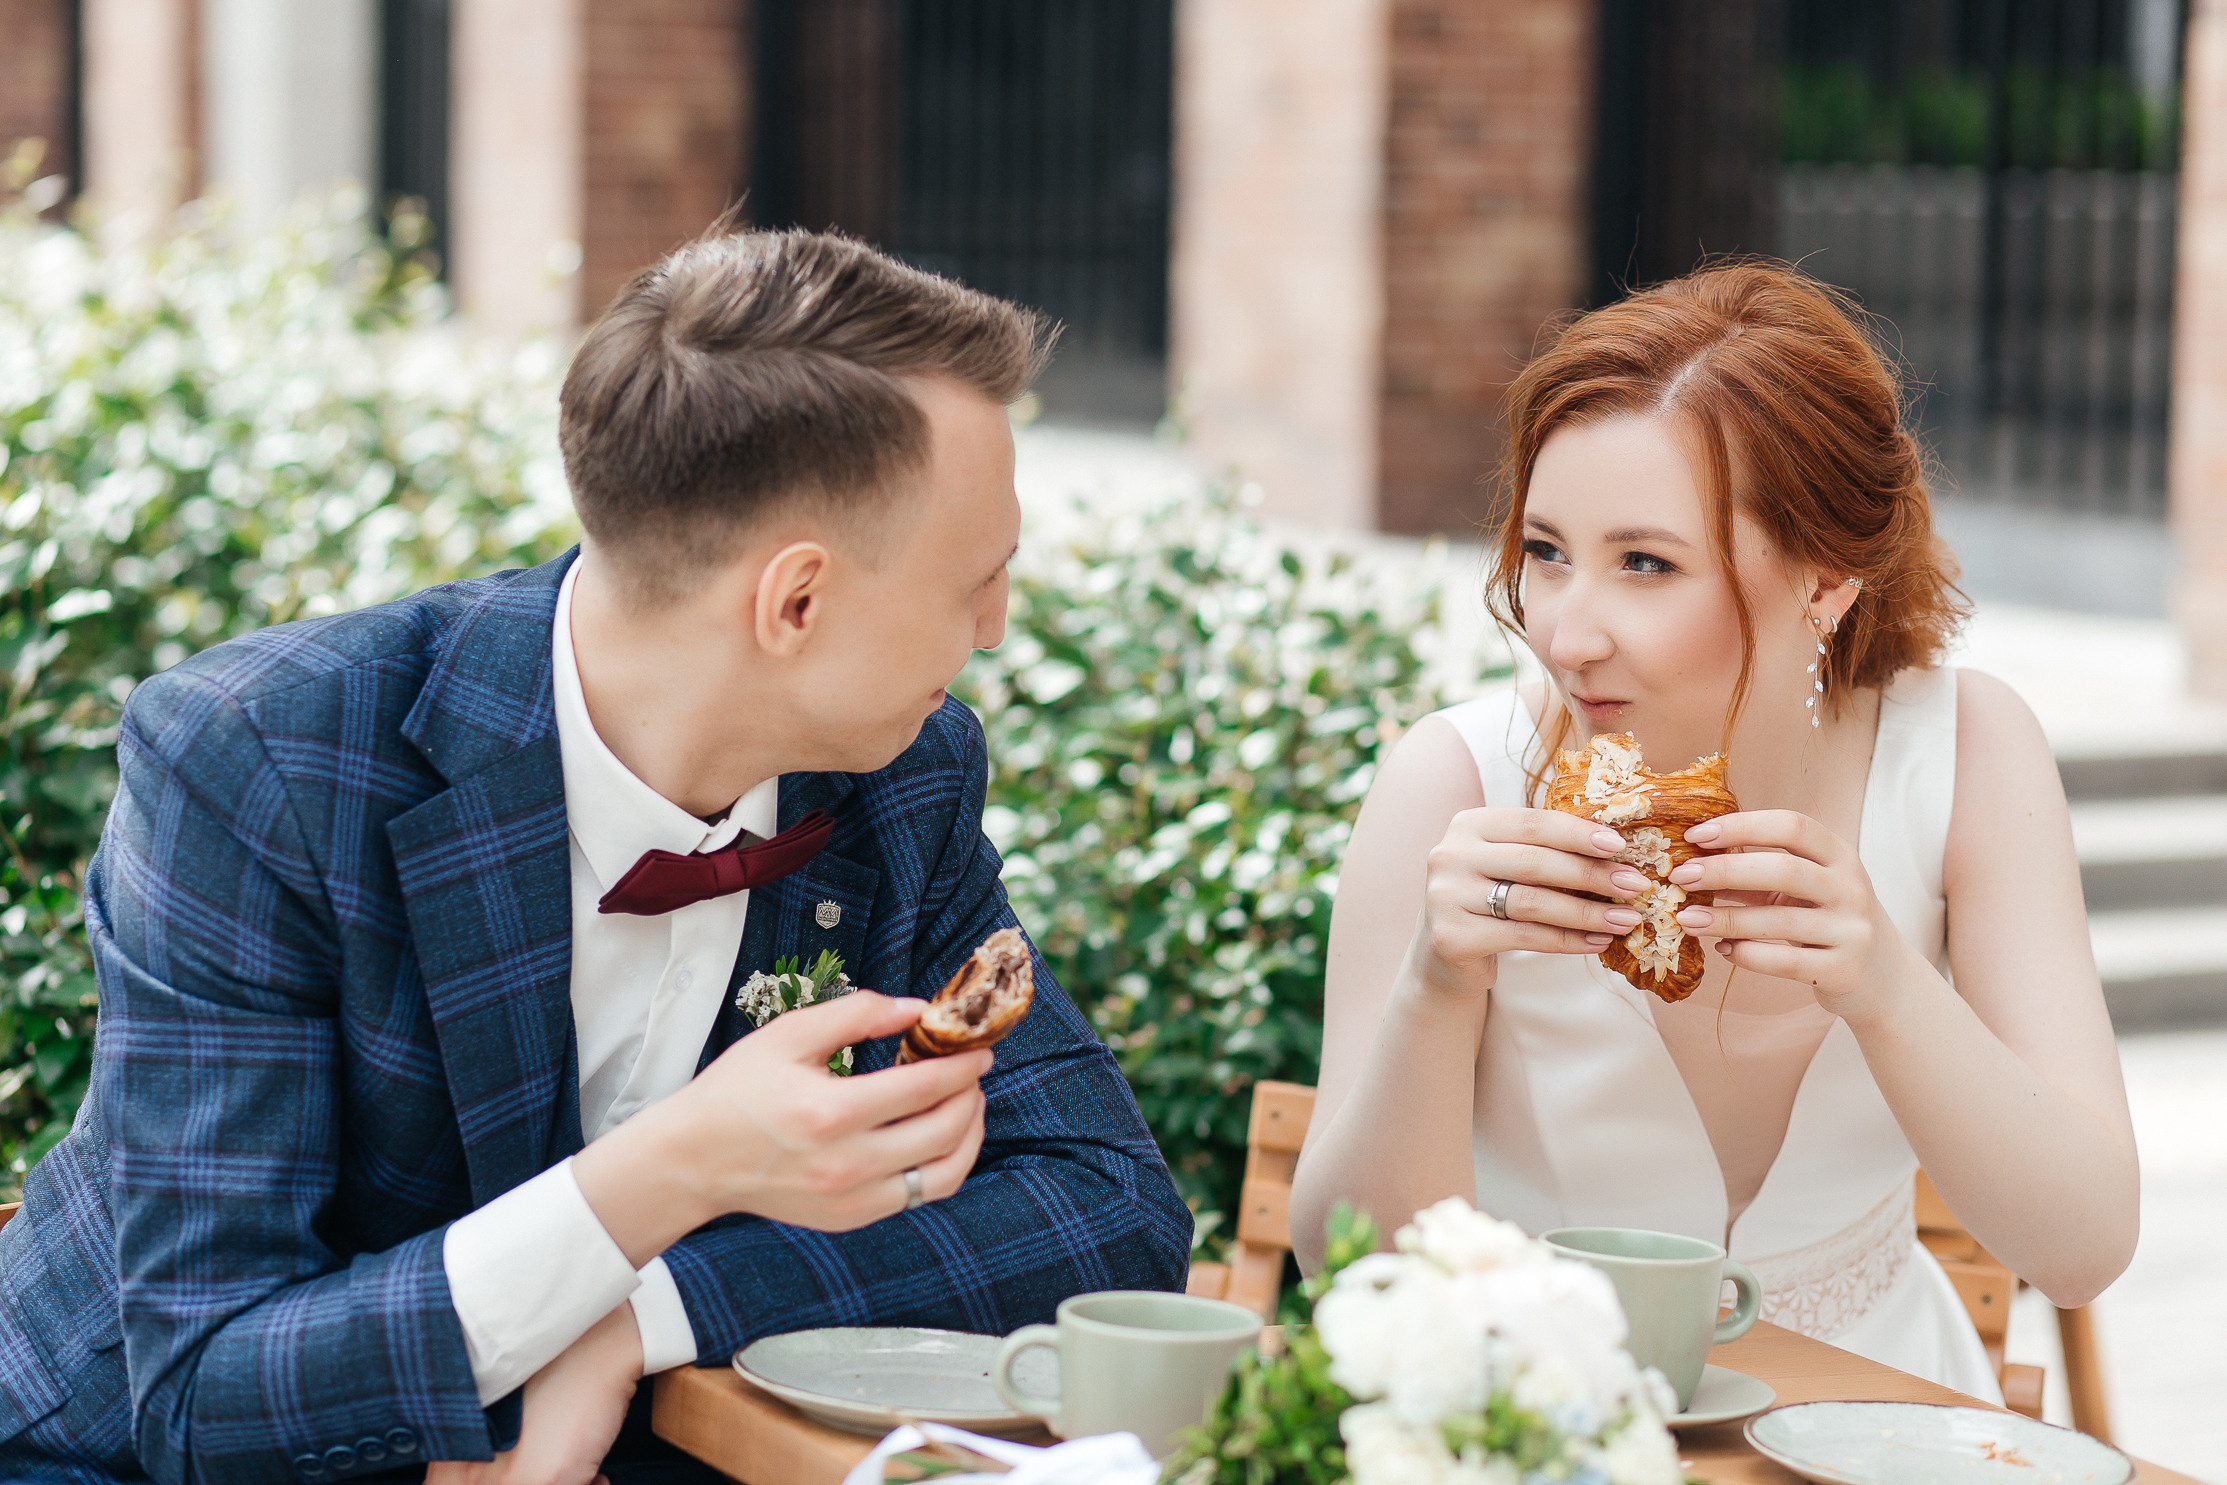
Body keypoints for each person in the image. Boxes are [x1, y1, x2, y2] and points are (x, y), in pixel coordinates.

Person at [0, 228, 1191, 1484]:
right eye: (978, 578)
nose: (996, 630)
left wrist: (634, 1316)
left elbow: (1108, 1205)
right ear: (795, 602)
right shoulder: (266, 760)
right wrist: (669, 1171)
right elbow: (205, 1393)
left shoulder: (906, 773)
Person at [1292, 261, 2137, 1397]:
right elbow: (1349, 1270)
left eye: (1645, 564)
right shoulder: (1453, 789)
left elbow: (2082, 1249)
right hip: (1539, 1427)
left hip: (1881, 1433)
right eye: (1546, 553)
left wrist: (1886, 984)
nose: (1566, 633)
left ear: (1825, 584)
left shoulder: (1968, 756)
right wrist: (1437, 987)